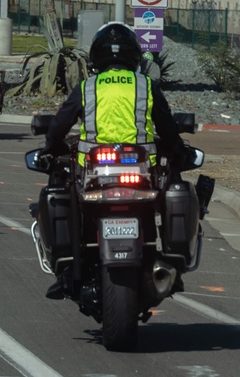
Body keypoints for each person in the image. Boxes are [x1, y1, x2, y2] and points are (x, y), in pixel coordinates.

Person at [42, 21, 187, 299]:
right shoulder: (146, 85)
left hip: (93, 172)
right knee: (172, 190)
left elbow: (60, 124)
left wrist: (52, 145)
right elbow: (167, 128)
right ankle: (171, 266)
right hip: (142, 172)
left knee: (62, 196)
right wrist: (178, 151)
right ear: (133, 55)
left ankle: (65, 272)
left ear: (97, 57)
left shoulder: (88, 86)